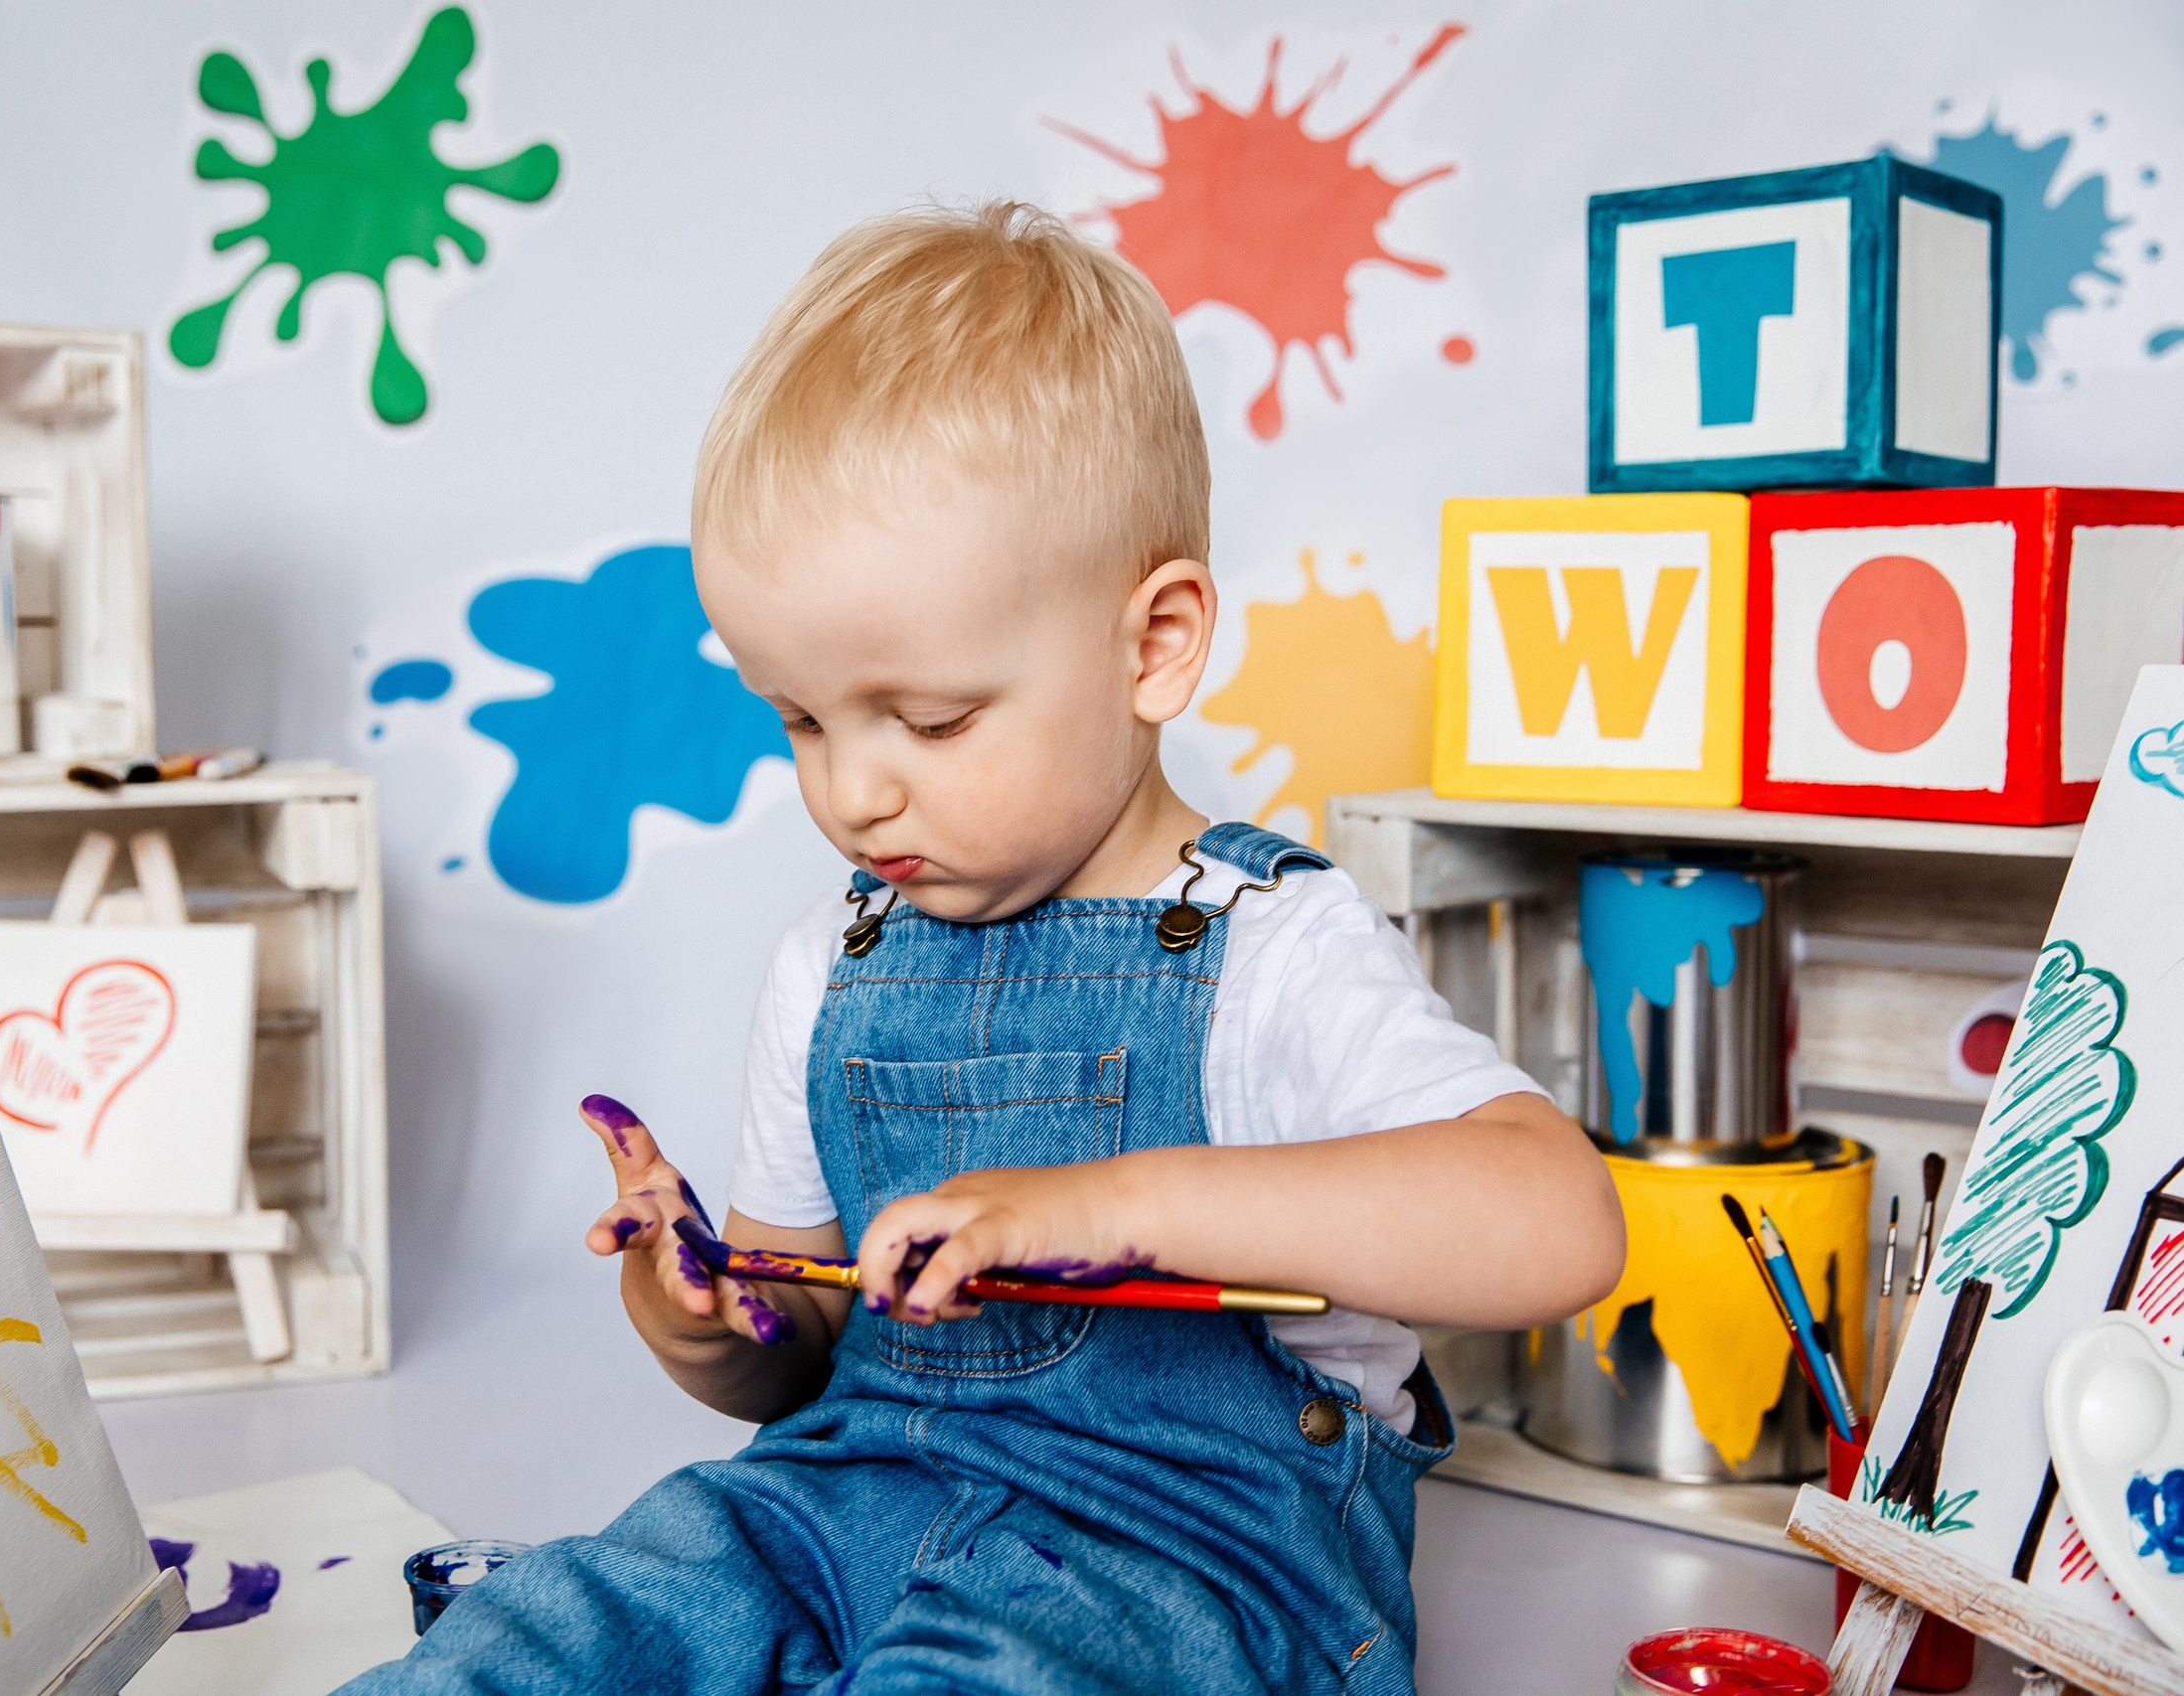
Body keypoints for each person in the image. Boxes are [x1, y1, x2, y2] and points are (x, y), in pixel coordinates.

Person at [338, 201, 1624, 1696]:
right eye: (801, 720)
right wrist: (708, 1317)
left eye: (933, 721)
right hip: (844, 1499)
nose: (852, 789)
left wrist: (1115, 1204)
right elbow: (803, 1353)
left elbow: (1558, 1225)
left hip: (1182, 1561)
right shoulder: (840, 961)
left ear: (1153, 648)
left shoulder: (1274, 953)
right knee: (562, 1621)